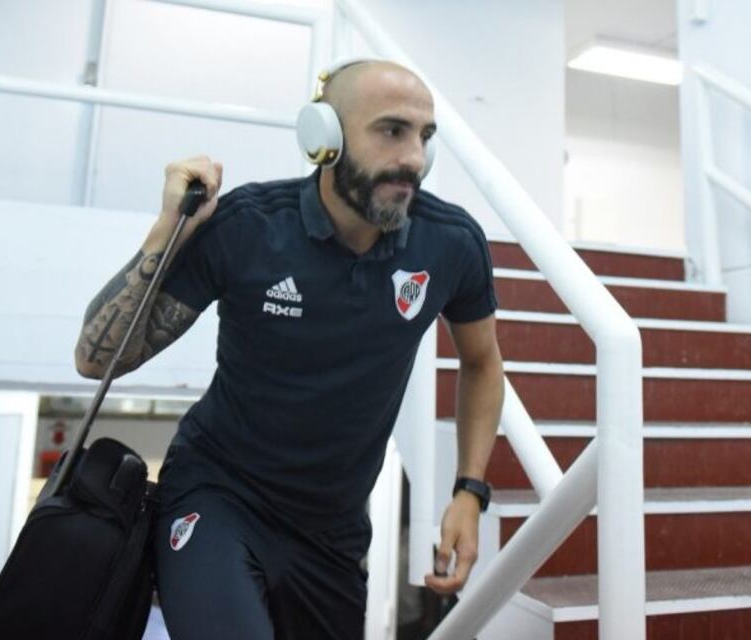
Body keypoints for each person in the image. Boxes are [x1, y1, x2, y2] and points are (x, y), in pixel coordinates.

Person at [75, 59, 504, 640]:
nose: (414, 158)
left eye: (425, 137)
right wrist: (167, 227)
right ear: (323, 136)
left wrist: (469, 491)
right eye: (391, 130)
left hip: (333, 535)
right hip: (219, 496)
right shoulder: (250, 228)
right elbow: (97, 359)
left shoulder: (449, 243)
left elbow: (481, 362)